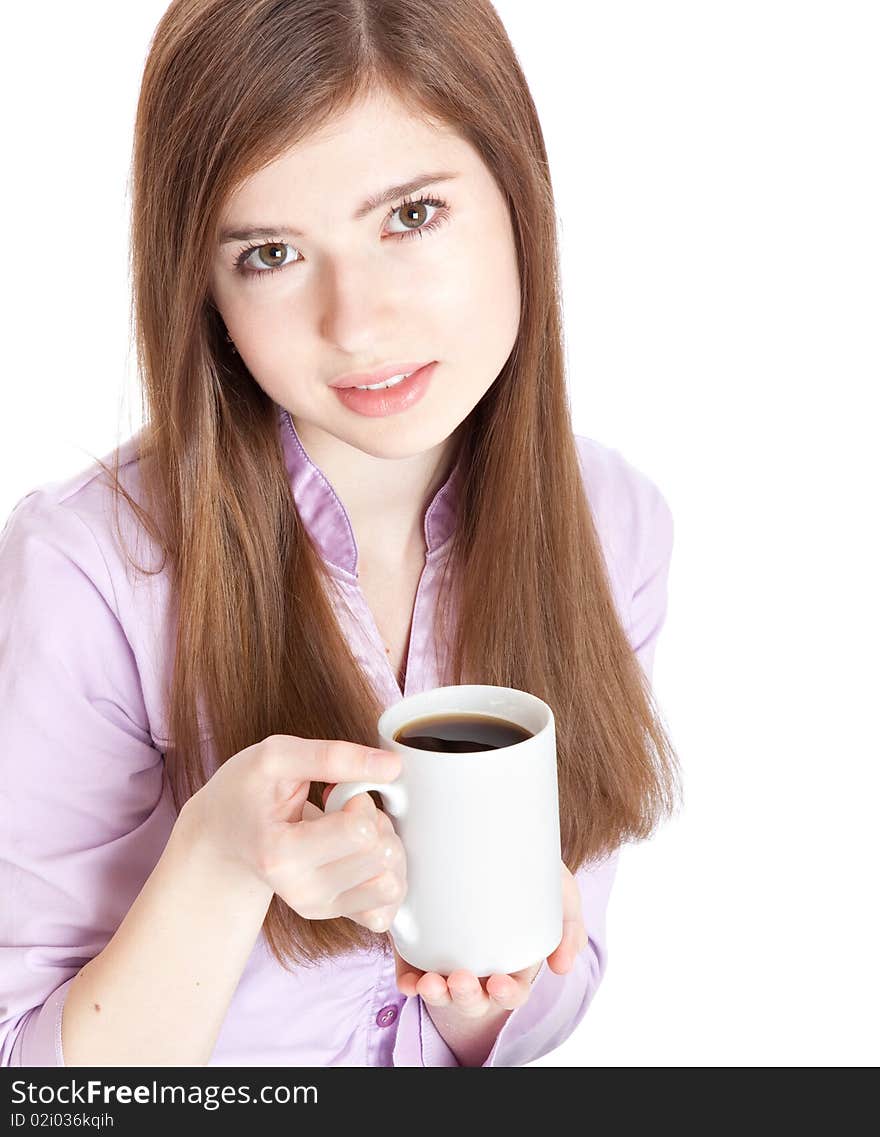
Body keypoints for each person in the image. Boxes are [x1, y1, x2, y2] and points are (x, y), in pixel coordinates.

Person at [0, 0, 681, 1068]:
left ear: (518, 194)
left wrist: (477, 987)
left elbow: (539, 998)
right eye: (271, 253)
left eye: (410, 216)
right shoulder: (91, 576)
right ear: (204, 292)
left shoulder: (613, 525)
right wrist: (221, 863)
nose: (355, 323)